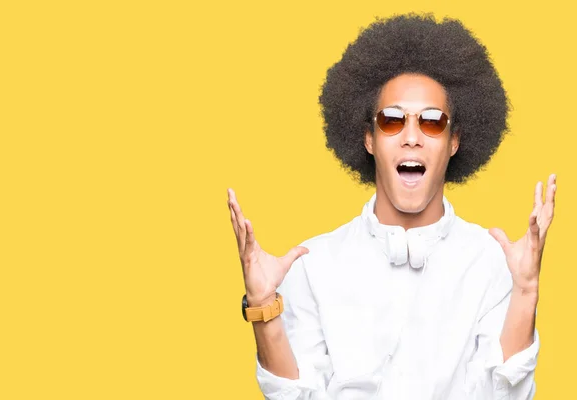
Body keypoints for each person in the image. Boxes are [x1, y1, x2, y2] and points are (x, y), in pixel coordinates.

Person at [226, 13, 556, 399]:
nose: (412, 137)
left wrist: (526, 292)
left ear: (453, 141)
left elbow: (504, 396)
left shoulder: (493, 264)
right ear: (368, 138)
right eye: (391, 120)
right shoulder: (313, 265)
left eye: (432, 122)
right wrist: (264, 307)